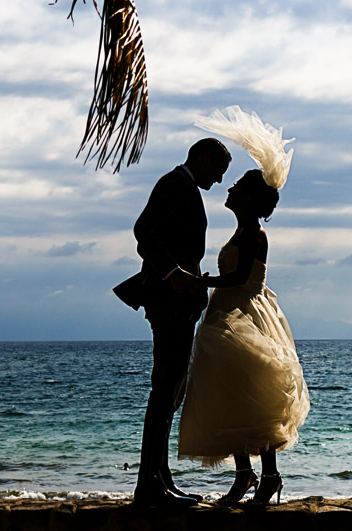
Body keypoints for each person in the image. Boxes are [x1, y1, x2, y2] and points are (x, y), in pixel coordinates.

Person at [176, 108, 310, 507]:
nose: (228, 190)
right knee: (231, 394)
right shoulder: (241, 229)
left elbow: (240, 279)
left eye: (235, 187)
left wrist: (202, 281)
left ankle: (268, 476)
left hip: (246, 314)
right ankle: (245, 474)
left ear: (250, 198)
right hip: (225, 312)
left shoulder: (255, 233)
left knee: (257, 392)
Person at [122, 136, 231, 508]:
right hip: (168, 302)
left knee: (170, 393)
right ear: (202, 158)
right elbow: (144, 232)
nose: (218, 180)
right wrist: (173, 273)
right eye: (218, 169)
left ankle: (159, 478)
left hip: (179, 304)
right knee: (163, 391)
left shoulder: (184, 187)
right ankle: (149, 485)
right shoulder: (174, 184)